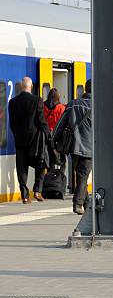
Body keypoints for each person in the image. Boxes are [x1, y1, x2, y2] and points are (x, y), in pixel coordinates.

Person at [8, 76, 50, 204]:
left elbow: (12, 123)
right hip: (35, 140)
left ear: (21, 87)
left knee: (22, 168)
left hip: (20, 139)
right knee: (41, 164)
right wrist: (48, 136)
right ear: (31, 87)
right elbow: (41, 121)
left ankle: (25, 195)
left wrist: (16, 134)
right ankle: (37, 190)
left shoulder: (13, 102)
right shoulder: (37, 100)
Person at [54, 79, 93, 214]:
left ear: (85, 89)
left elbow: (61, 124)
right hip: (90, 147)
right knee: (83, 176)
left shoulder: (73, 104)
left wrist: (54, 141)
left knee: (81, 175)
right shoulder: (99, 106)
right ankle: (77, 204)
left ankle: (88, 205)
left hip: (73, 146)